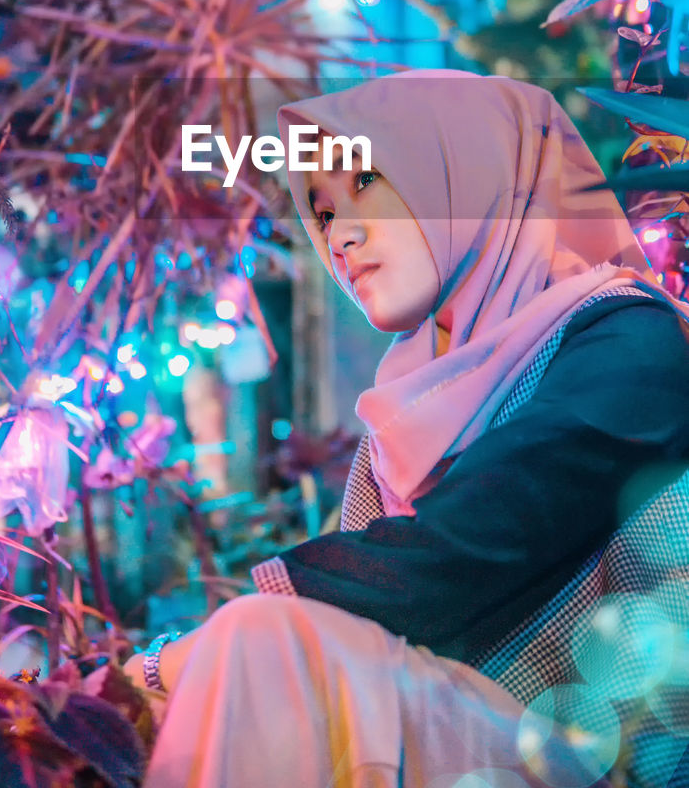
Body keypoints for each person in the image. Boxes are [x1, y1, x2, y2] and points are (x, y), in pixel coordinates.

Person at [124, 71, 689, 788]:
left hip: (607, 760)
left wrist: (173, 656)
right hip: (468, 741)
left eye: (365, 180)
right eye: (321, 213)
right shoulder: (408, 401)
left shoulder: (630, 342)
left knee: (258, 643)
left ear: (471, 167)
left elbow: (455, 555)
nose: (341, 237)